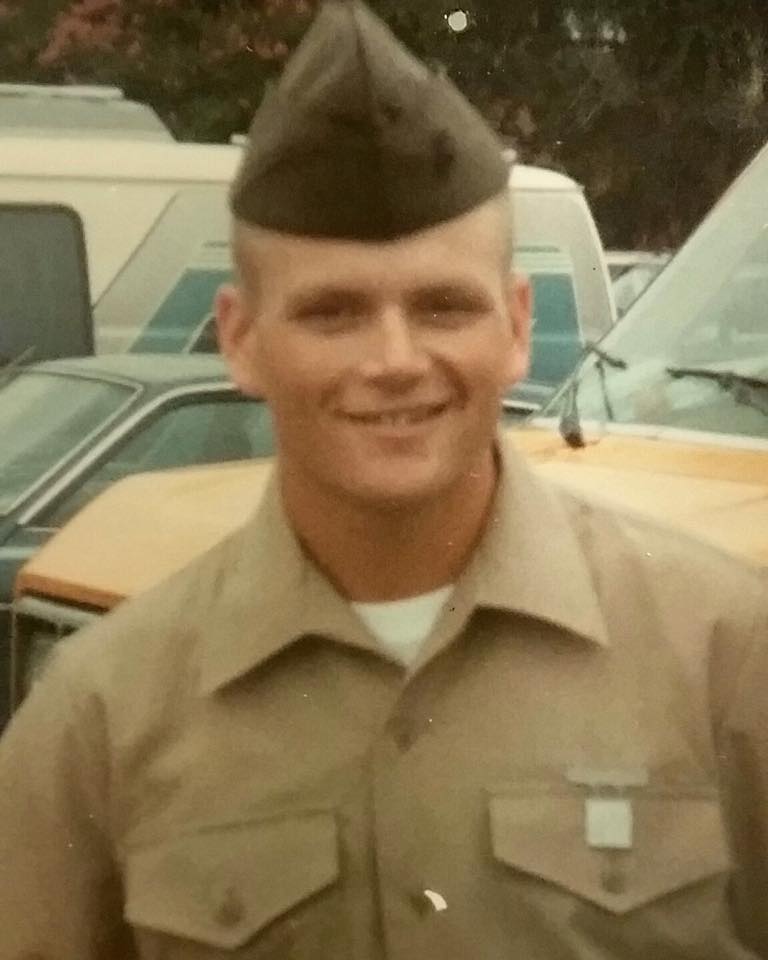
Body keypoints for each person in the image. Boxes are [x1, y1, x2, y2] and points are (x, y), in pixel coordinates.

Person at [1, 2, 767, 958]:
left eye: (444, 305)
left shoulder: (727, 660)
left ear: (519, 325)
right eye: (334, 313)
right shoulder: (100, 716)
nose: (396, 360)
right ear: (240, 339)